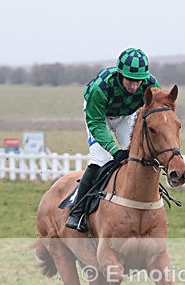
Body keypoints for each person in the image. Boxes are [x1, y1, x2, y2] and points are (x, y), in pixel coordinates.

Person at [65, 47, 160, 232]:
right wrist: (114, 150)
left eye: (138, 81)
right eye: (130, 80)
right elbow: (96, 123)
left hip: (126, 116)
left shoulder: (151, 84)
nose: (134, 87)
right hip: (100, 117)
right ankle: (77, 211)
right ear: (120, 75)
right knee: (101, 160)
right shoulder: (100, 88)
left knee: (136, 157)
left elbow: (154, 111)